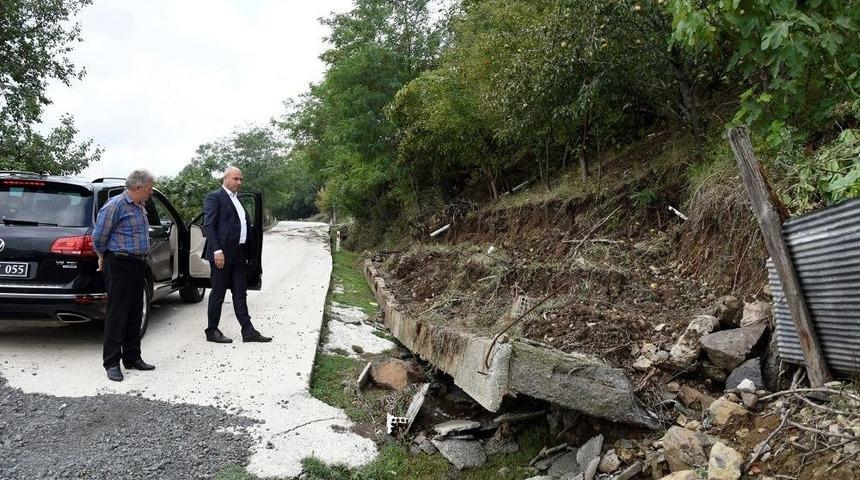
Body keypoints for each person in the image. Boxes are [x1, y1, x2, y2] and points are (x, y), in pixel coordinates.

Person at [92, 169, 157, 382]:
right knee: (118, 314)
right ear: (138, 187)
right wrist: (102, 255)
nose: (151, 192)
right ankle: (111, 363)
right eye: (149, 188)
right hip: (120, 263)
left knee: (135, 312)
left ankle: (132, 357)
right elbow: (99, 236)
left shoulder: (139, 204)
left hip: (138, 264)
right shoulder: (115, 205)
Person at [203, 166, 272, 343]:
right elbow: (209, 225)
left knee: (240, 293)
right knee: (218, 293)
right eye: (235, 179)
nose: (239, 182)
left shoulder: (237, 199)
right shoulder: (215, 197)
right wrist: (217, 250)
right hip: (222, 254)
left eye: (241, 179)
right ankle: (212, 331)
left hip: (239, 254)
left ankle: (248, 331)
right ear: (225, 178)